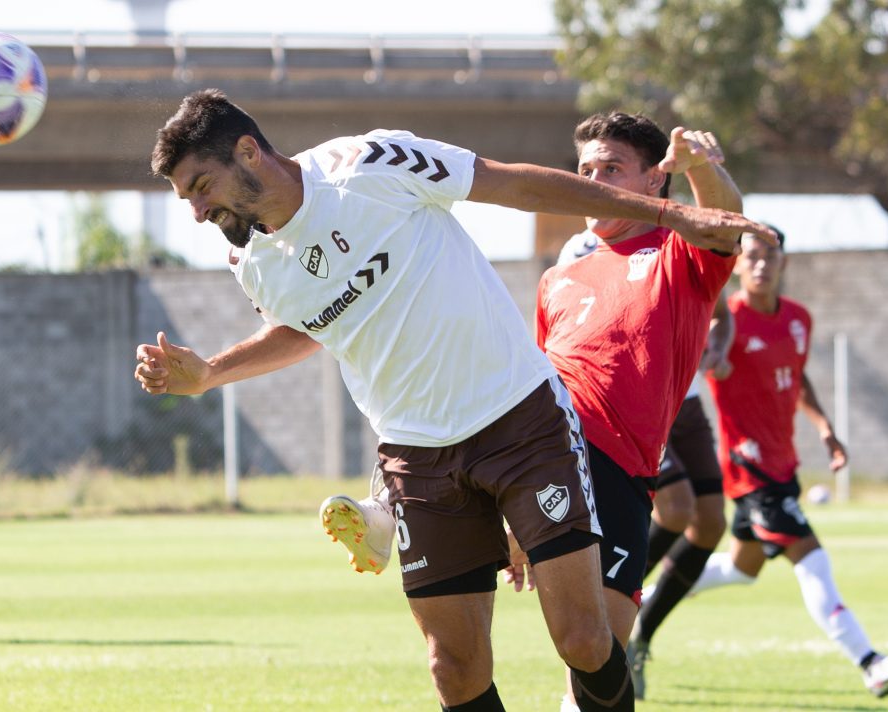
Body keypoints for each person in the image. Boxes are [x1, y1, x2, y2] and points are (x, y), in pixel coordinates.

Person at [133, 89, 775, 711]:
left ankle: (384, 517)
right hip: (415, 457)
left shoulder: (371, 164)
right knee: (454, 668)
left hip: (519, 422)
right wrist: (210, 373)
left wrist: (668, 214)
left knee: (584, 640)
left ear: (247, 152)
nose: (194, 211)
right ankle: (384, 506)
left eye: (199, 187)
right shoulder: (253, 264)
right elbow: (305, 329)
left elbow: (514, 185)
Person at [506, 112, 745, 712]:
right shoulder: (558, 278)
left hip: (622, 472)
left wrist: (700, 169)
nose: (593, 180)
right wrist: (514, 512)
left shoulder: (677, 253)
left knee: (597, 653)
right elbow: (538, 387)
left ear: (652, 184)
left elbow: (723, 223)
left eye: (611, 168)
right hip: (550, 456)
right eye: (585, 170)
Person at [686, 228, 888, 698]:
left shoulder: (798, 319)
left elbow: (796, 378)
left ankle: (639, 603)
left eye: (770, 255)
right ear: (735, 265)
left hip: (782, 463)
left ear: (784, 262)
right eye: (751, 256)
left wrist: (824, 427)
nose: (761, 264)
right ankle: (870, 662)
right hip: (748, 467)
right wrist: (711, 361)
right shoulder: (725, 321)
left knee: (740, 568)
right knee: (811, 556)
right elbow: (695, 363)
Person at [625, 293, 733, 699]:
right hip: (645, 402)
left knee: (710, 524)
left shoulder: (684, 248)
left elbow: (722, 313)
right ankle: (608, 597)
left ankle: (641, 636)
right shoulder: (583, 251)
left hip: (687, 404)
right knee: (676, 510)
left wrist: (718, 349)